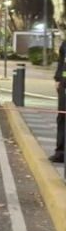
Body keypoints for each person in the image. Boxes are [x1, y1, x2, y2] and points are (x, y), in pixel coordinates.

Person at [52, 35, 65, 163]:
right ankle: (60, 153)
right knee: (62, 118)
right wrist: (57, 79)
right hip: (64, 86)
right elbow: (61, 63)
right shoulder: (65, 44)